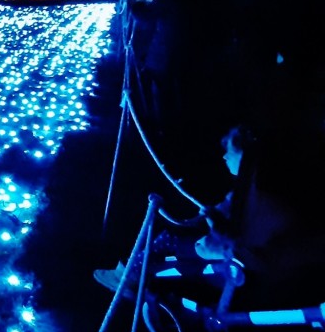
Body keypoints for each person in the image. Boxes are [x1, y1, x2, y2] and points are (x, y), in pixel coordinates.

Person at [94, 124, 253, 296]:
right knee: (175, 239)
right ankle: (137, 277)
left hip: (228, 247)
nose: (224, 156)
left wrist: (212, 218)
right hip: (229, 244)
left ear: (243, 155)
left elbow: (233, 225)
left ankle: (127, 276)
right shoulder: (247, 188)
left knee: (167, 239)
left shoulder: (247, 191)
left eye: (230, 151)